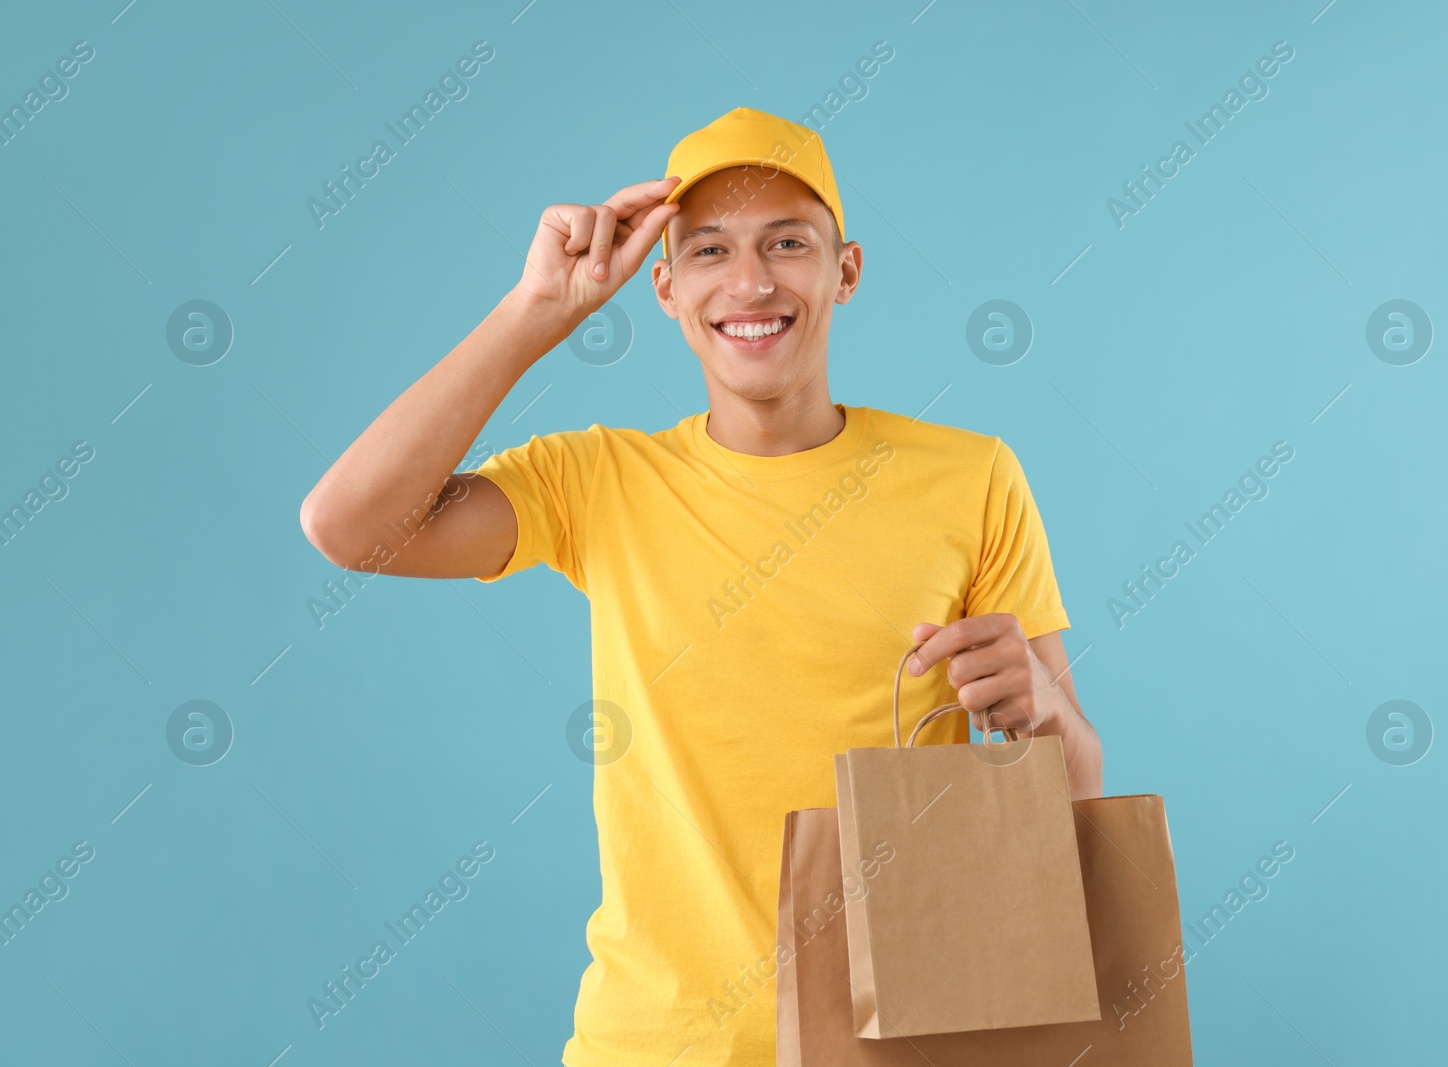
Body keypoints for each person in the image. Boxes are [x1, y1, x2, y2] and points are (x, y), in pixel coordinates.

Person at [299, 105, 1102, 1067]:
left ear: (845, 271)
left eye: (788, 242)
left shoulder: (972, 478)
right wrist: (534, 314)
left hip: (901, 1041)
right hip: (655, 1046)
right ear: (667, 288)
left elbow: (1075, 791)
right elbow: (348, 526)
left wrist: (1041, 707)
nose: (752, 281)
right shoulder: (596, 482)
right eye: (711, 250)